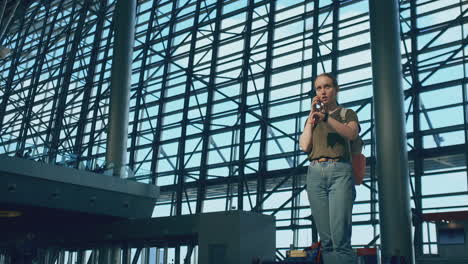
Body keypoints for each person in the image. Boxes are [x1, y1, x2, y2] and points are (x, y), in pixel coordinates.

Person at [299, 73, 359, 264]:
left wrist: (326, 117)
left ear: (336, 89)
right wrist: (311, 117)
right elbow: (304, 146)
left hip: (339, 171)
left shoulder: (346, 113)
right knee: (326, 241)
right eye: (319, 88)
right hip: (314, 173)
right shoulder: (313, 120)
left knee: (340, 238)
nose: (323, 91)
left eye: (327, 86)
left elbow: (351, 133)